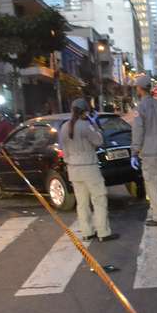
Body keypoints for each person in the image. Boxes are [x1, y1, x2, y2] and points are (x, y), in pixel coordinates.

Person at [60, 99, 118, 242]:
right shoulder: (86, 126)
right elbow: (99, 141)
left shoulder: (64, 127)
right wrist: (95, 124)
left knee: (82, 203)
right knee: (99, 200)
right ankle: (103, 232)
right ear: (85, 111)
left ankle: (87, 232)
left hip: (73, 170)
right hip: (89, 168)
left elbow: (63, 150)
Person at [130, 74, 157, 227]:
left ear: (140, 89)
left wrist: (135, 152)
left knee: (152, 184)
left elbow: (138, 131)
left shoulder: (140, 108)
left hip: (149, 153)